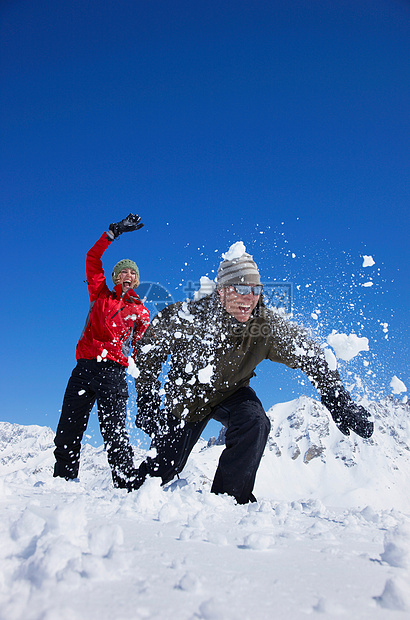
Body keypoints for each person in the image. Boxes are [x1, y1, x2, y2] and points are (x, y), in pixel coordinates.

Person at [131, 248, 374, 503]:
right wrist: (147, 398)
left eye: (257, 289)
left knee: (255, 422)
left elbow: (311, 353)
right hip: (188, 398)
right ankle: (128, 495)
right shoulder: (187, 317)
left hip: (232, 391)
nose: (250, 298)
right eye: (242, 289)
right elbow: (148, 351)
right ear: (222, 291)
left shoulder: (264, 326)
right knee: (155, 479)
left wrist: (337, 397)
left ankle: (229, 501)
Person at [54, 214, 150, 489]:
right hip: (84, 369)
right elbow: (92, 259)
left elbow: (141, 349)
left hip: (113, 374)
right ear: (114, 276)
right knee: (68, 430)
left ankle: (125, 486)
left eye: (133, 272)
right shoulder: (100, 295)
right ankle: (63, 481)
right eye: (123, 271)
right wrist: (112, 233)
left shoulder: (141, 312)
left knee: (115, 434)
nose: (128, 275)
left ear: (137, 280)